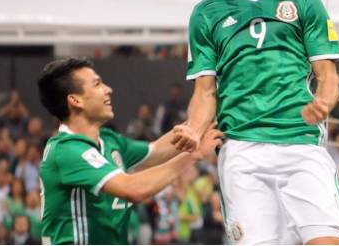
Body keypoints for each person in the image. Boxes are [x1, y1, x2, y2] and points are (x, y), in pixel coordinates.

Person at [179, 0, 339, 244]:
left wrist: (324, 100)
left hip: (301, 143)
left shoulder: (303, 0)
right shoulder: (206, 13)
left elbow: (328, 74)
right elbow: (204, 91)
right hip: (242, 151)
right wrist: (194, 127)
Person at [36, 58, 222, 244]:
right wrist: (192, 156)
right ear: (75, 100)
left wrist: (197, 125)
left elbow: (156, 150)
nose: (109, 89)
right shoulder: (67, 150)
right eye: (98, 84)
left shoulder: (109, 140)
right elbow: (133, 189)